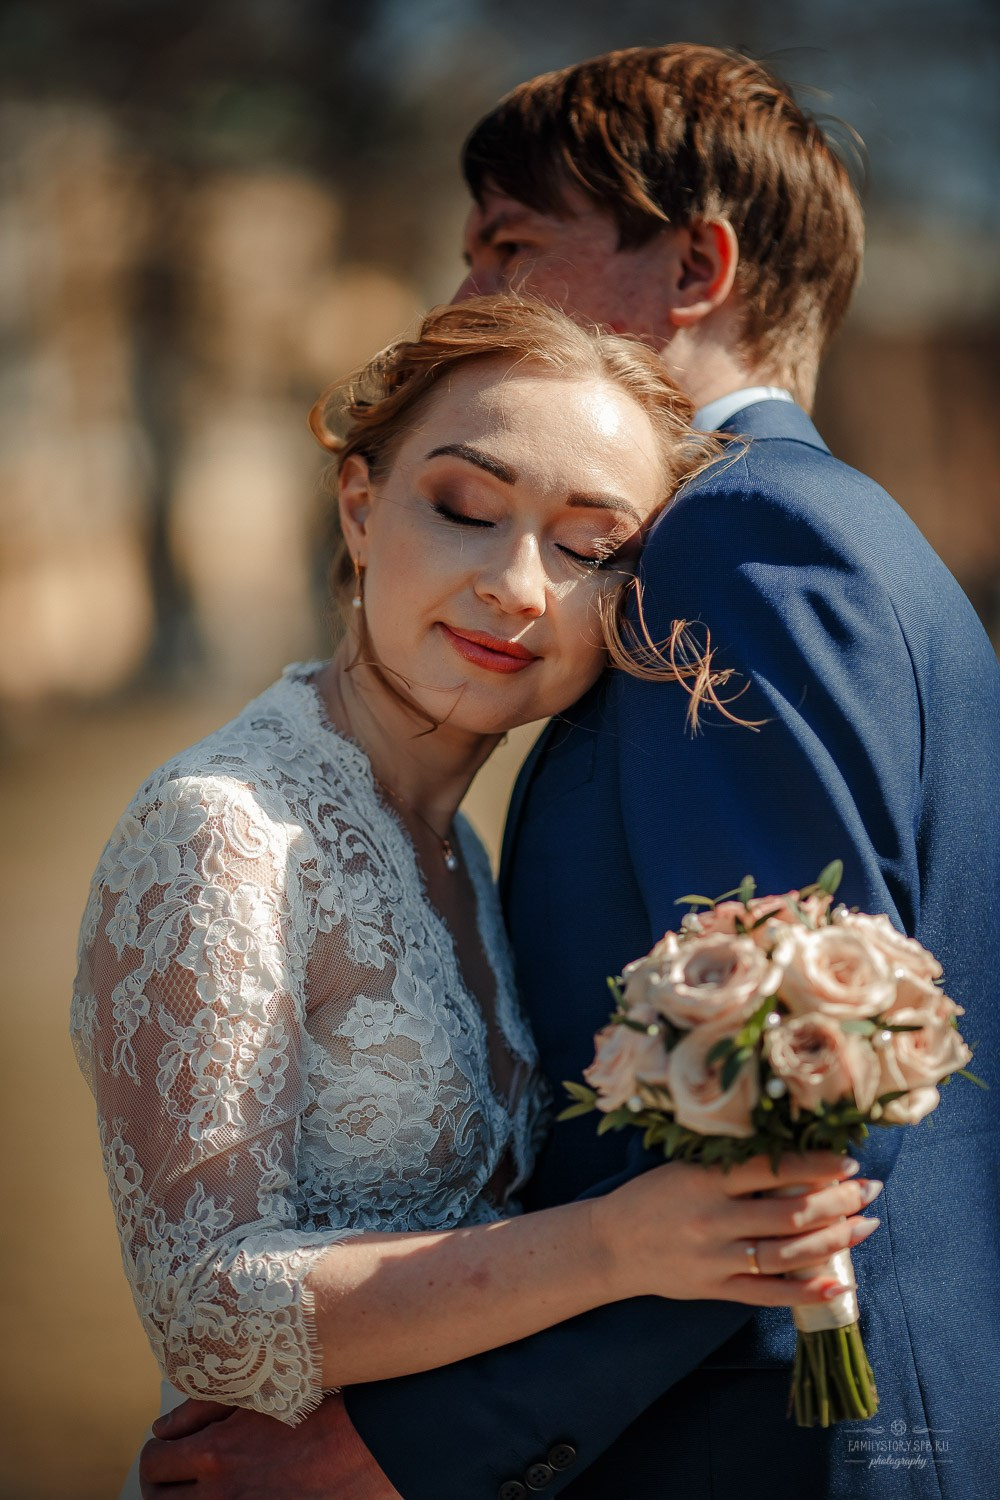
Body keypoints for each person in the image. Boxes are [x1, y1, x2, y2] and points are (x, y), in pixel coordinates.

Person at [139, 44, 1000, 1500]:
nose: (463, 298)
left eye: (512, 248)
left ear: (697, 267)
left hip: (766, 1440)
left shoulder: (742, 550)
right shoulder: (859, 541)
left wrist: (415, 1449)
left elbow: (792, 1108)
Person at [72, 294, 877, 1500]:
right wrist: (619, 1244)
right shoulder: (223, 830)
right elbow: (206, 1312)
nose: (516, 585)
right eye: (464, 510)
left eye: (587, 546)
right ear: (358, 508)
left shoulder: (462, 849)